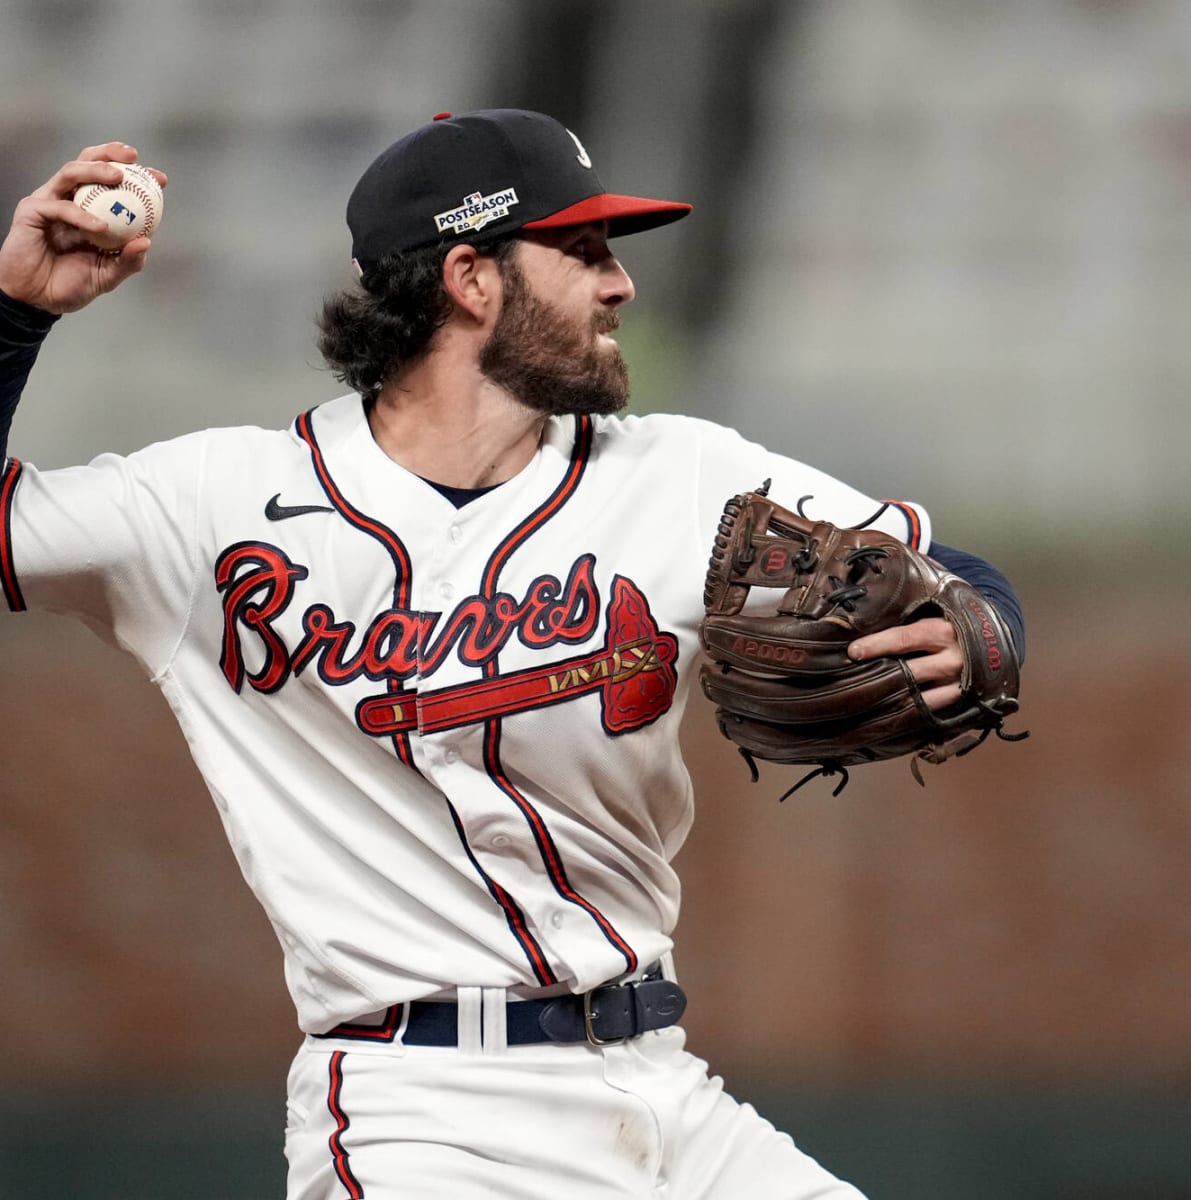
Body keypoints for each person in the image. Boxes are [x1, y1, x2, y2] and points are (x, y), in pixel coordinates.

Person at [0, 110, 1024, 1199]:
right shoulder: (210, 508)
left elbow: (941, 567)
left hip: (660, 1088)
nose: (620, 284)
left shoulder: (680, 475)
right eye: (582, 252)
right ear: (471, 278)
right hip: (423, 1120)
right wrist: (13, 315)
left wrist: (981, 627)